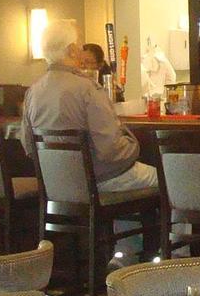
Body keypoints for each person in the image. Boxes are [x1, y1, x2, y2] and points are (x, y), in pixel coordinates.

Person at [20, 18, 156, 196]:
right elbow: (110, 150)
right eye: (79, 45)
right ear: (72, 50)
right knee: (167, 178)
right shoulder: (88, 89)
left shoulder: (33, 92)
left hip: (56, 183)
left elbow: (28, 146)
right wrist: (134, 146)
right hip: (99, 181)